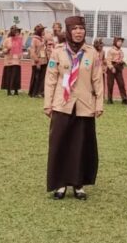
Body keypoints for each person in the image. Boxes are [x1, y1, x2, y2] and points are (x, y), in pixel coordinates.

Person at [44, 15, 103, 200]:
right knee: (59, 144)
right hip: (62, 104)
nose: (78, 32)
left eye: (81, 28)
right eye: (74, 29)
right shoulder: (58, 51)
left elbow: (98, 80)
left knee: (81, 146)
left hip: (85, 105)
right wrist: (48, 103)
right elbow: (51, 79)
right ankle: (60, 184)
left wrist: (99, 104)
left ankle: (79, 184)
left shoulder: (91, 52)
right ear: (68, 31)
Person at [1, 26, 23, 96]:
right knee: (9, 76)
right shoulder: (7, 40)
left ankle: (16, 90)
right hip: (9, 61)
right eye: (17, 32)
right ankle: (9, 91)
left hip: (17, 61)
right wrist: (7, 49)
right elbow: (3, 50)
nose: (18, 33)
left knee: (16, 76)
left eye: (18, 32)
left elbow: (20, 49)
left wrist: (20, 56)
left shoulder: (20, 40)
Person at [106, 37, 127, 105]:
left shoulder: (121, 51)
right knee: (110, 84)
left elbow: (123, 59)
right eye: (119, 41)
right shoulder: (111, 50)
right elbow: (108, 60)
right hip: (112, 67)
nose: (120, 43)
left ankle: (124, 99)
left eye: (121, 42)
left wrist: (126, 62)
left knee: (121, 84)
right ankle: (109, 99)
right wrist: (111, 68)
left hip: (119, 68)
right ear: (115, 42)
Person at [27, 25, 47, 98]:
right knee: (36, 77)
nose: (44, 32)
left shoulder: (42, 39)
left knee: (42, 78)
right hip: (37, 62)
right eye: (43, 31)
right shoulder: (34, 39)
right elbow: (32, 51)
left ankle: (40, 92)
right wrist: (37, 61)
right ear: (40, 32)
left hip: (44, 61)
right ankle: (33, 92)